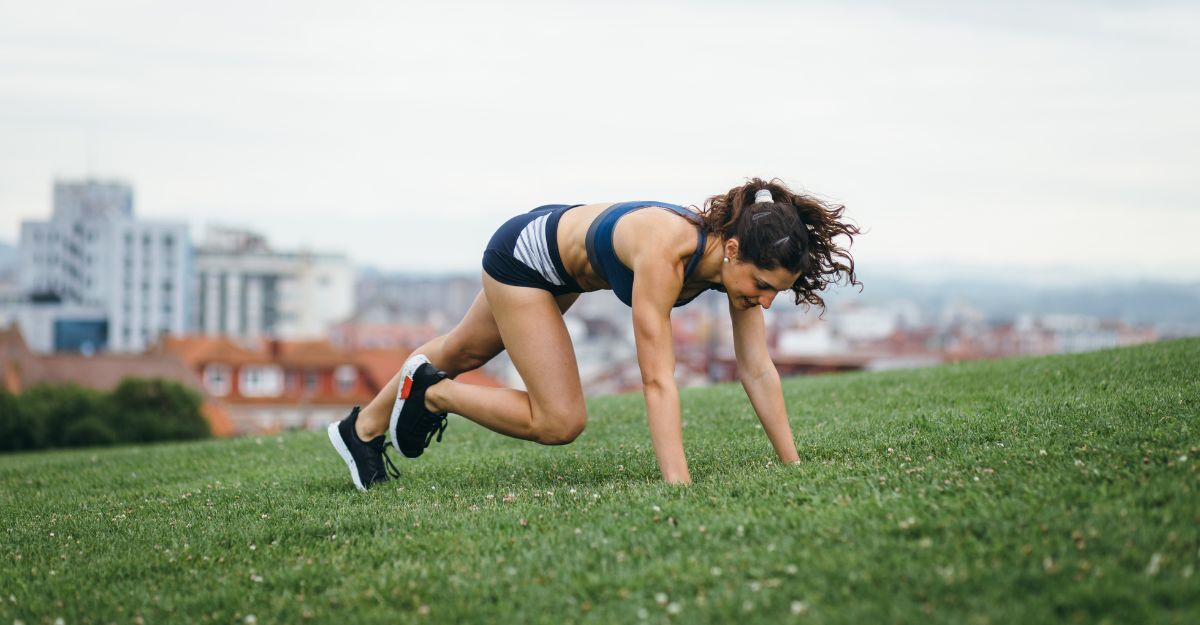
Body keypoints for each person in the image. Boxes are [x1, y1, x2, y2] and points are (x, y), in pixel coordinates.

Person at [327, 177, 861, 491]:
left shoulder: (736, 268)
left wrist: (792, 467)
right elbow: (657, 380)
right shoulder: (668, 251)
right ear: (736, 250)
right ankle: (433, 392)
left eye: (776, 294)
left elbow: (757, 368)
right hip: (526, 257)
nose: (764, 301)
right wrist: (680, 487)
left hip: (555, 259)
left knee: (459, 349)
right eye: (764, 286)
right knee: (560, 420)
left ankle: (362, 431)